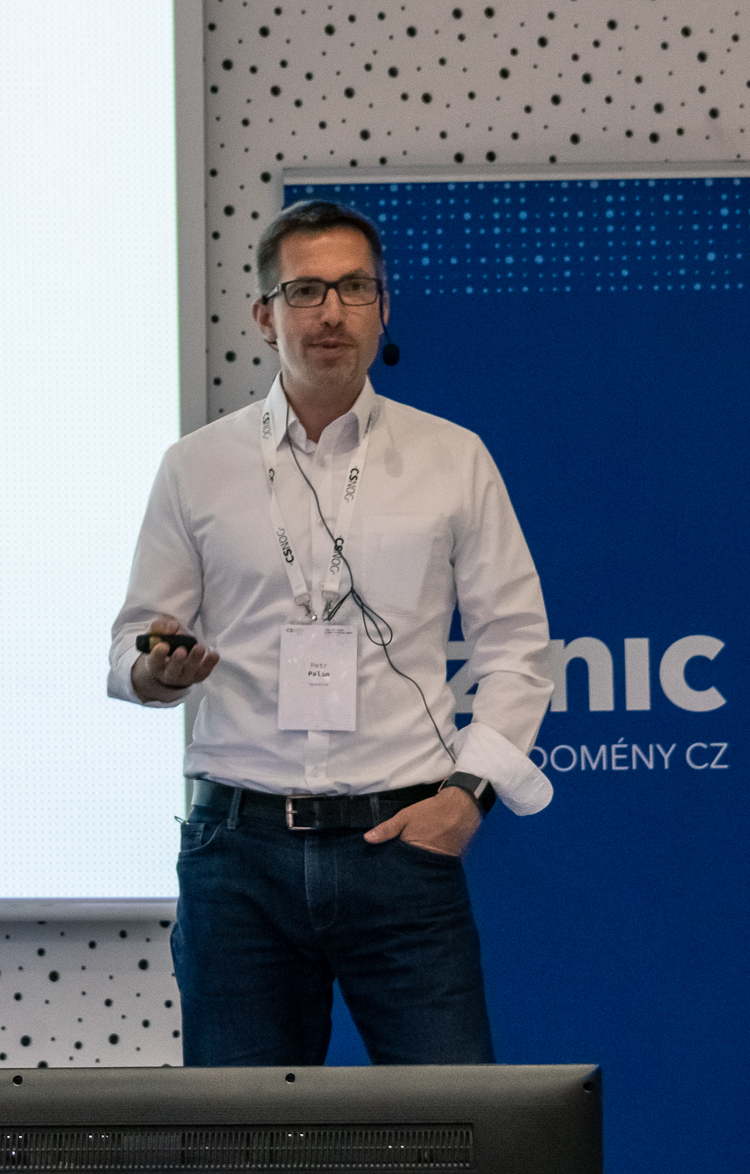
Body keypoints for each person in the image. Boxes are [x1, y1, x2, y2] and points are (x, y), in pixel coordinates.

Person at [109, 199, 555, 1067]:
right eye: (306, 290)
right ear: (263, 315)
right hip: (237, 854)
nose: (332, 312)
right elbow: (133, 642)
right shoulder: (195, 466)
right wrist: (159, 670)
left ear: (384, 308)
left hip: (401, 844)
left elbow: (517, 645)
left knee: (449, 1129)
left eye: (355, 288)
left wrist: (468, 796)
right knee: (242, 1139)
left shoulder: (453, 457)